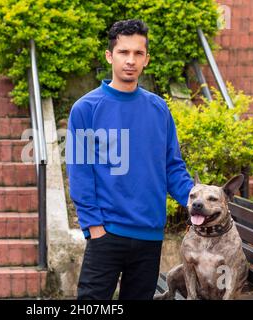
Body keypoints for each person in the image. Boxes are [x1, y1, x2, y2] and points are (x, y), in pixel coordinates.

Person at [65, 19, 194, 300]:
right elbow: (80, 172)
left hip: (149, 235)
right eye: (124, 52)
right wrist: (94, 228)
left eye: (138, 53)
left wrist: (197, 199)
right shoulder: (86, 109)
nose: (130, 60)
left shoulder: (159, 109)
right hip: (106, 234)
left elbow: (173, 167)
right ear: (110, 56)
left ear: (146, 59)